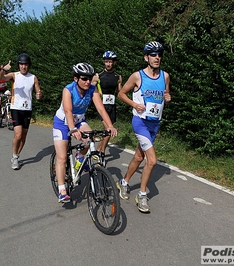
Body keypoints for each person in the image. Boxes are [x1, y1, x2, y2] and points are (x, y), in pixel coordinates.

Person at [117, 41, 171, 213]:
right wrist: (134, 104)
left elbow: (165, 94)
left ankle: (123, 183)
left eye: (159, 54)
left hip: (155, 123)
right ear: (146, 57)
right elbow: (121, 93)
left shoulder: (165, 76)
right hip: (140, 122)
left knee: (139, 157)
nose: (157, 57)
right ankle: (141, 195)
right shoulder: (137, 76)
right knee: (152, 160)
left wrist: (167, 97)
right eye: (153, 54)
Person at [53, 62, 118, 203]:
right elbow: (68, 111)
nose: (88, 81)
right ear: (76, 79)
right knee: (62, 157)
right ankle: (62, 189)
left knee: (91, 138)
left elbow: (101, 109)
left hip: (79, 121)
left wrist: (110, 126)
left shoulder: (92, 90)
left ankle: (80, 156)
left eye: (89, 78)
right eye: (84, 78)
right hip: (63, 123)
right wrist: (72, 129)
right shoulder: (68, 90)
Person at [0, 53, 42, 170]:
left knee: (23, 137)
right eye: (22, 64)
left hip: (27, 109)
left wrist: (39, 95)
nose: (24, 67)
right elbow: (1, 78)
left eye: (26, 64)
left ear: (29, 65)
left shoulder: (33, 77)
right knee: (18, 135)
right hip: (16, 108)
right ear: (18, 65)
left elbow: (38, 92)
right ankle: (14, 157)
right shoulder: (14, 75)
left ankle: (17, 155)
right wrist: (3, 70)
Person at [92, 51, 122, 163]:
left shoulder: (117, 76)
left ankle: (99, 149)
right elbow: (90, 89)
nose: (108, 64)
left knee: (108, 130)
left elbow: (120, 92)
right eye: (106, 62)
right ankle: (102, 153)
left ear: (114, 62)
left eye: (110, 62)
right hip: (102, 106)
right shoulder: (98, 76)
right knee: (108, 130)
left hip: (112, 105)